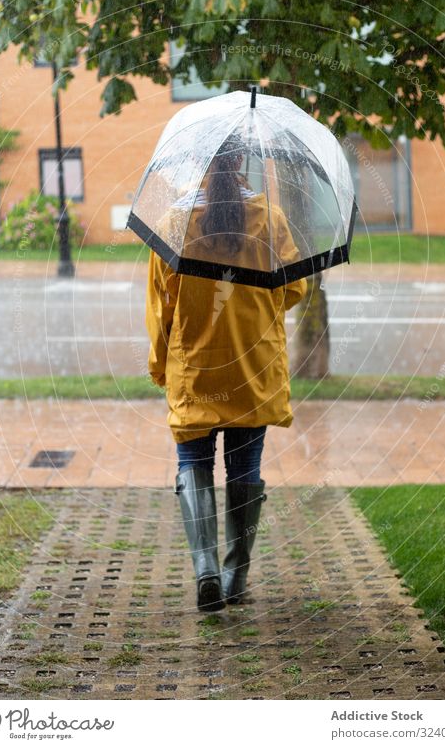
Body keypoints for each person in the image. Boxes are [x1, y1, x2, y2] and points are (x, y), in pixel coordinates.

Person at [145, 137, 307, 611]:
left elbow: (161, 310)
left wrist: (161, 367)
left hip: (195, 370)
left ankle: (206, 571)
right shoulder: (271, 220)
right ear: (241, 162)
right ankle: (236, 578)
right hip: (252, 370)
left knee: (194, 465)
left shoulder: (174, 224)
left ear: (197, 164)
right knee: (245, 469)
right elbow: (294, 288)